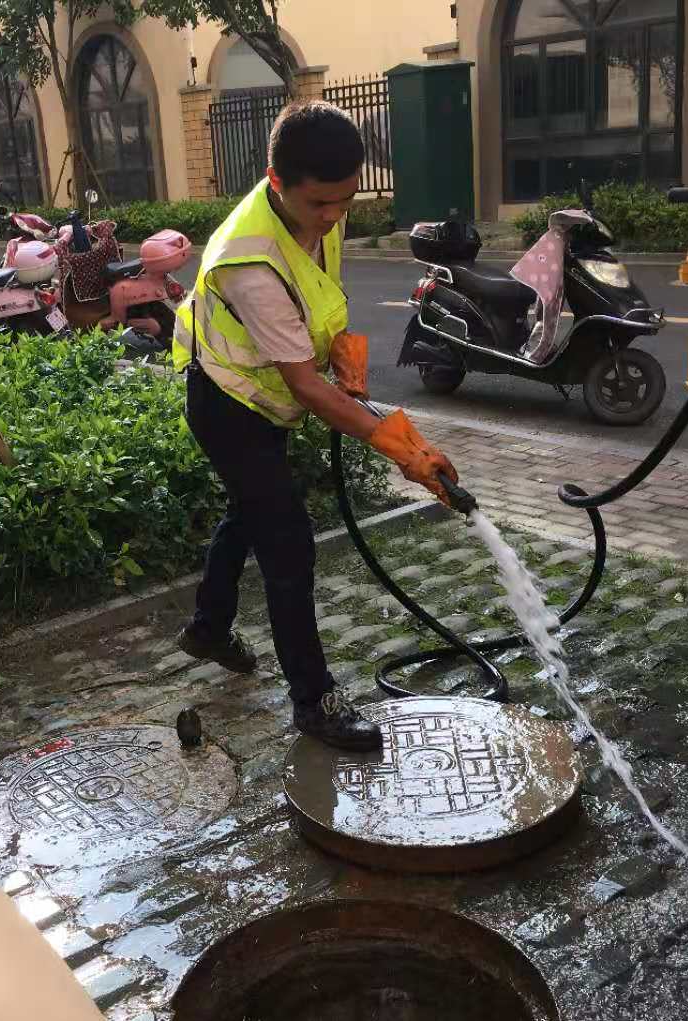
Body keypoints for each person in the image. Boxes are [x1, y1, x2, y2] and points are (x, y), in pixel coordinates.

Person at [170, 100, 459, 751]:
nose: (333, 217)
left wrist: (339, 346)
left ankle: (208, 629)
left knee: (251, 512)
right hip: (227, 406)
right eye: (321, 205)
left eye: (345, 202)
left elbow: (318, 290)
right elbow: (303, 386)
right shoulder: (247, 258)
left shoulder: (318, 204)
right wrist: (398, 447)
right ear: (279, 185)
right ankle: (314, 702)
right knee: (289, 545)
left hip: (265, 399)